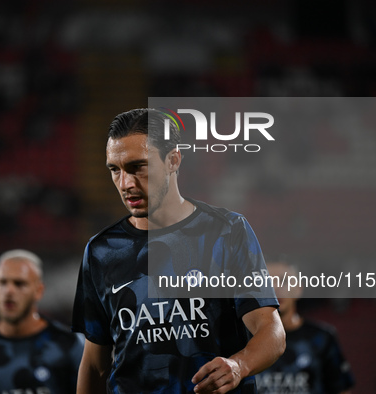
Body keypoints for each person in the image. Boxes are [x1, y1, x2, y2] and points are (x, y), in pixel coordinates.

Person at [72, 108, 286, 393]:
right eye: (115, 170)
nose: (126, 184)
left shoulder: (227, 231)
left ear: (173, 159)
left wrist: (239, 365)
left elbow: (271, 332)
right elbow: (95, 364)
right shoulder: (101, 251)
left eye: (138, 167)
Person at [0, 249, 84, 394]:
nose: (9, 291)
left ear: (38, 291)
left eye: (19, 283)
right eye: (2, 282)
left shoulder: (69, 344)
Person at [256, 261, 355, 394]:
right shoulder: (242, 338)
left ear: (298, 288)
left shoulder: (321, 338)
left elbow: (341, 389)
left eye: (283, 281)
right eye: (267, 282)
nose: (276, 288)